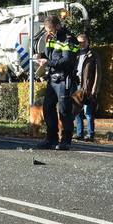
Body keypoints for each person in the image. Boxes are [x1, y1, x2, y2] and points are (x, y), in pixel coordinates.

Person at [34, 16, 79, 150]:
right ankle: (51, 138)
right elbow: (50, 55)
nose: (49, 33)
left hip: (64, 78)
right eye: (48, 31)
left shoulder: (69, 39)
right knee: (47, 108)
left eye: (51, 30)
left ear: (58, 26)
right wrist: (40, 56)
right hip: (52, 78)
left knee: (64, 110)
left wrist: (48, 62)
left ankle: (66, 140)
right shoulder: (51, 37)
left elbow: (67, 60)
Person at [73, 32, 101, 142]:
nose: (82, 44)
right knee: (77, 111)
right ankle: (79, 133)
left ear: (88, 42)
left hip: (87, 87)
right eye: (79, 42)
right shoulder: (75, 54)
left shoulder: (93, 55)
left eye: (84, 41)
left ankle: (90, 134)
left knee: (88, 112)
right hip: (77, 85)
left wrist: (95, 88)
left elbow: (98, 73)